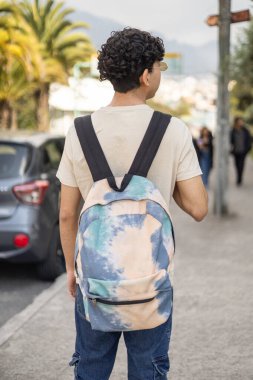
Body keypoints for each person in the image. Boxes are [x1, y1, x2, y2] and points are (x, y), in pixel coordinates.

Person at [56, 28, 208, 380]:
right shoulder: (172, 129)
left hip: (94, 279)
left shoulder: (79, 130)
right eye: (159, 68)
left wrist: (71, 269)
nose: (159, 75)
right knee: (148, 369)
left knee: (91, 366)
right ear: (145, 75)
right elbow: (199, 208)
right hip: (150, 280)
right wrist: (162, 175)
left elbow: (66, 214)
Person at [230, 116, 252, 186]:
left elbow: (250, 139)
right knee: (236, 165)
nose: (241, 122)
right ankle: (238, 176)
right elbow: (230, 140)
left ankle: (239, 179)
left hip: (243, 151)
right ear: (236, 122)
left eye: (242, 121)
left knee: (241, 165)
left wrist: (248, 148)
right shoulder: (233, 130)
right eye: (240, 121)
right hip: (236, 151)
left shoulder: (245, 130)